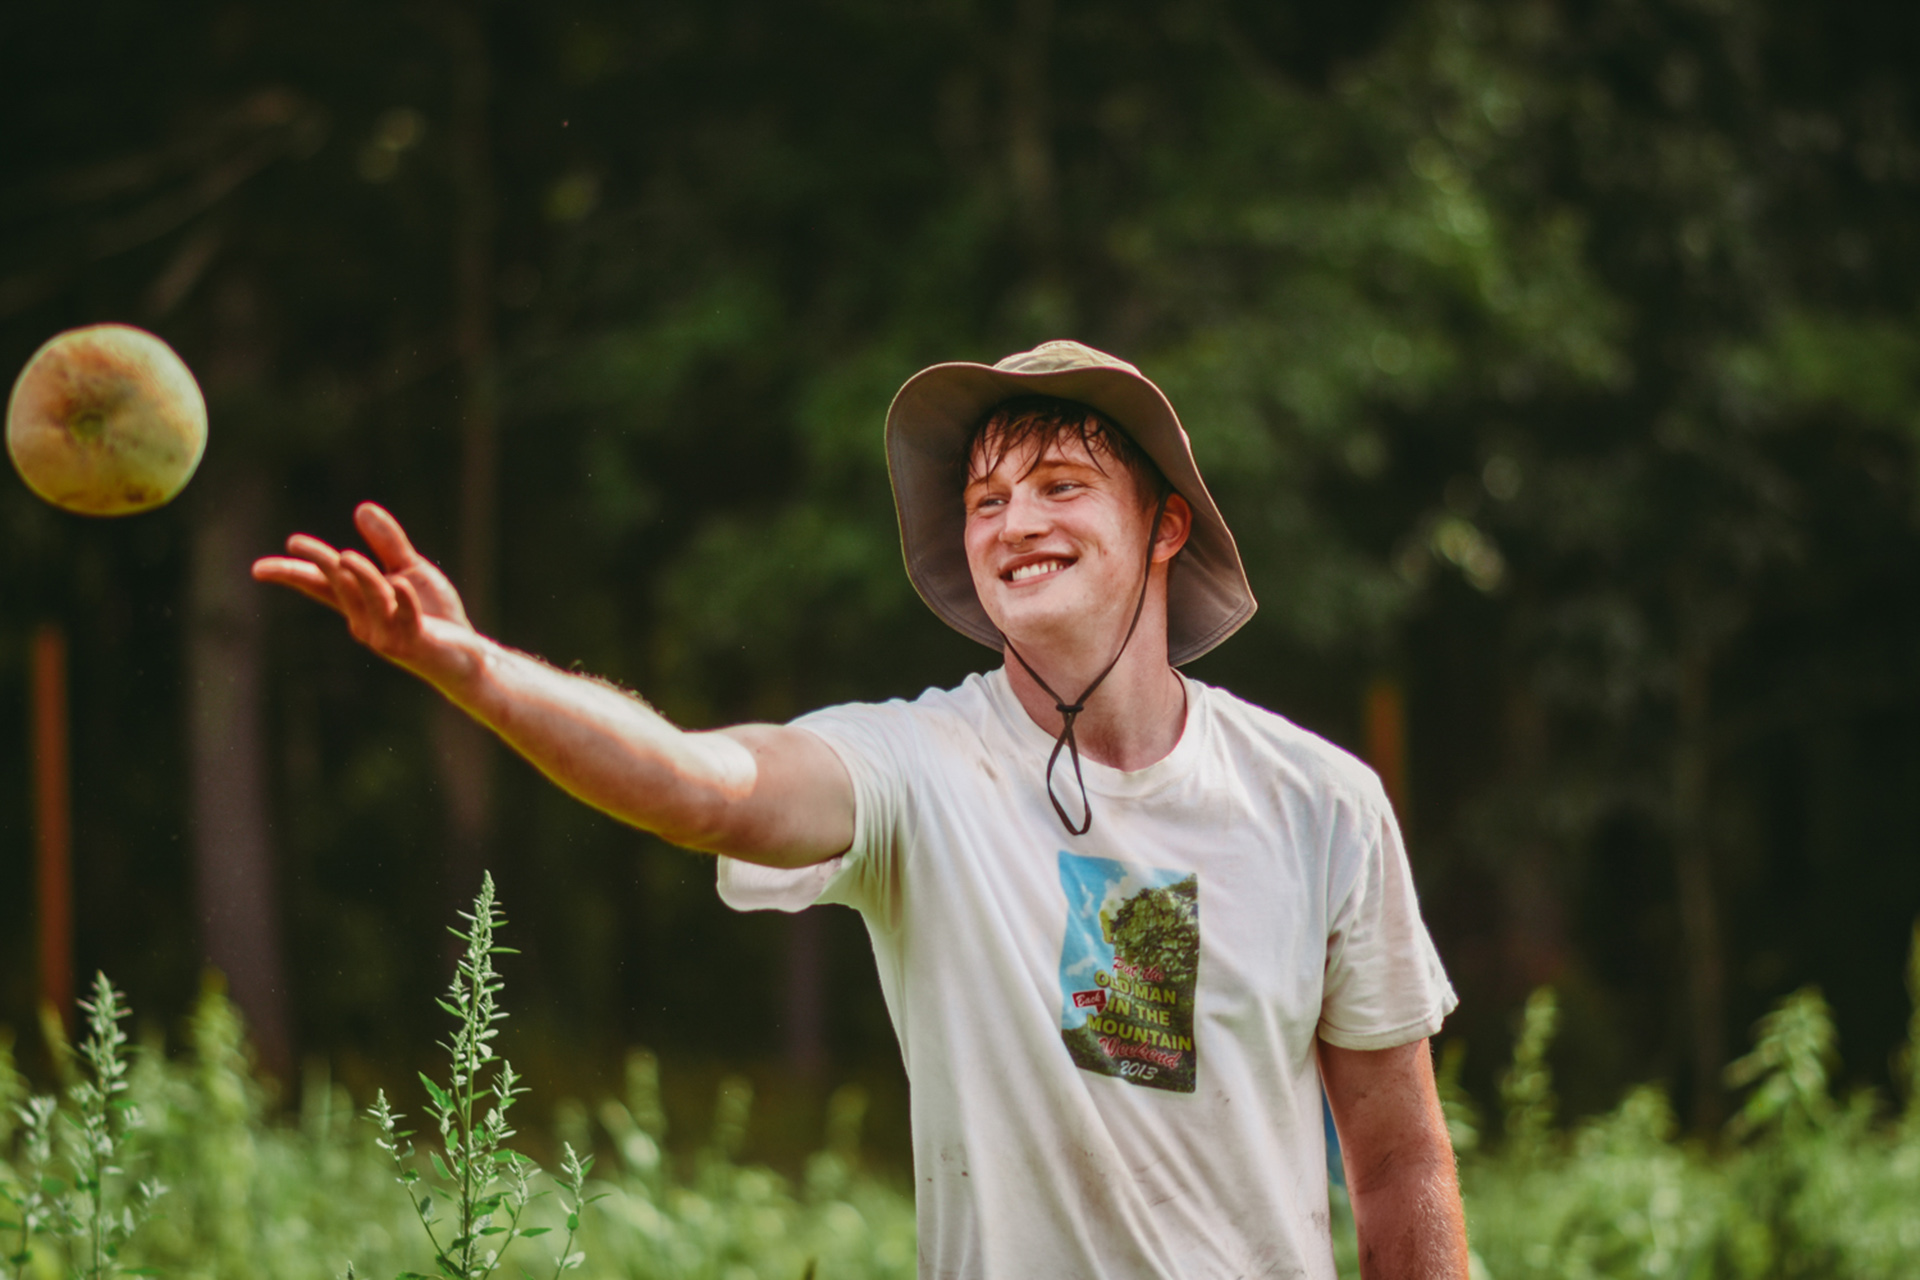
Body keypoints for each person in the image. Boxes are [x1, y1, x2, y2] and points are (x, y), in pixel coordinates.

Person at [255, 340, 1469, 1279]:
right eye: (986, 500)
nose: (1015, 521)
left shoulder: (1320, 803)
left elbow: (1400, 1155)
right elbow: (699, 782)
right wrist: (477, 669)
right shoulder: (917, 766)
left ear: (1165, 526)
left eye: (1060, 484)